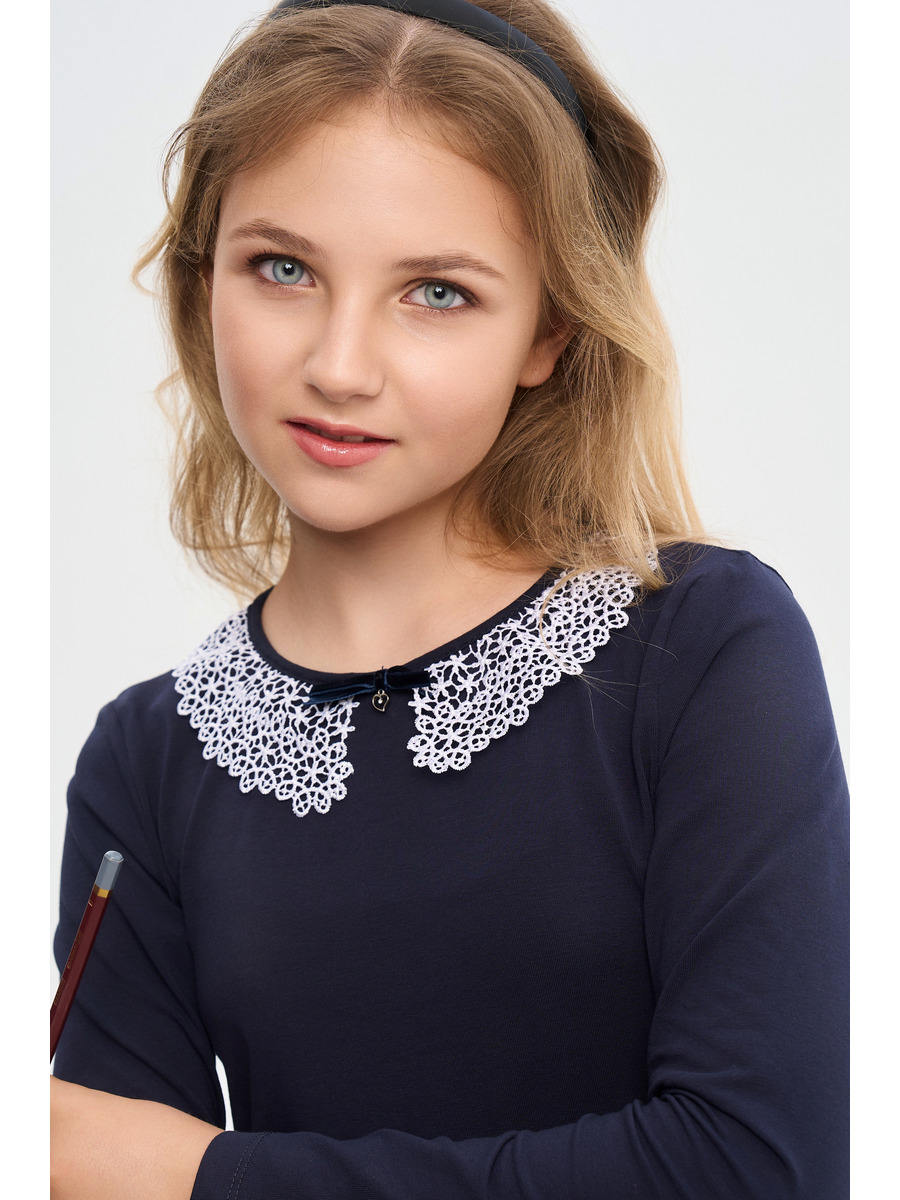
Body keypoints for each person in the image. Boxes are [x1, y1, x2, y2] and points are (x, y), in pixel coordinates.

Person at [50, 1, 849, 1197]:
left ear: (550, 330)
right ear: (202, 278)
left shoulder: (705, 649)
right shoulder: (146, 762)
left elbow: (755, 1170)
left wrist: (204, 1176)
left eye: (436, 292)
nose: (339, 366)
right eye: (282, 269)